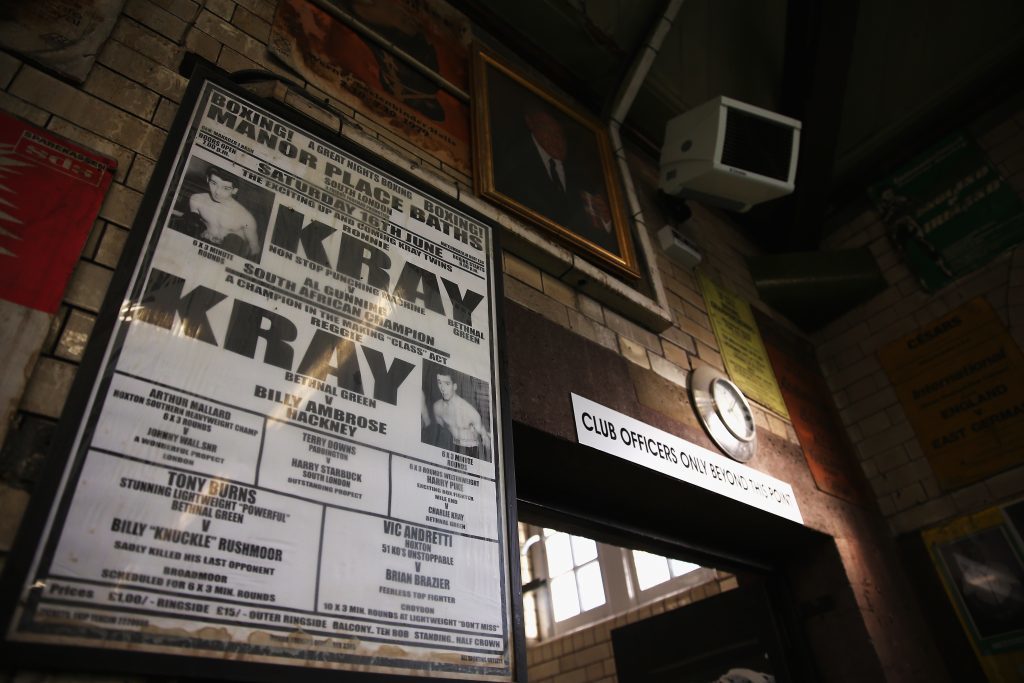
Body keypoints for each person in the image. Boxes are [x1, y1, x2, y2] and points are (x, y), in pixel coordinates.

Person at [492, 102, 618, 253]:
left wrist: (606, 220)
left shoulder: (580, 174)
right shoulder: (514, 158)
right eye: (547, 129)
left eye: (559, 133)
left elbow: (595, 231)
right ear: (530, 123)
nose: (555, 139)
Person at [187, 167, 260, 258]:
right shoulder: (197, 200)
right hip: (200, 251)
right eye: (213, 183)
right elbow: (191, 228)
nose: (217, 192)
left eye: (225, 188)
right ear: (207, 179)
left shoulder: (245, 218)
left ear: (234, 190)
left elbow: (255, 250)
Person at [432, 372, 490, 460]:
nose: (442, 388)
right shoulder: (437, 407)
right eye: (439, 382)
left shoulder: (470, 411)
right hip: (451, 448)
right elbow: (440, 432)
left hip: (471, 451)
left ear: (454, 386)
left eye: (447, 384)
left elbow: (485, 438)